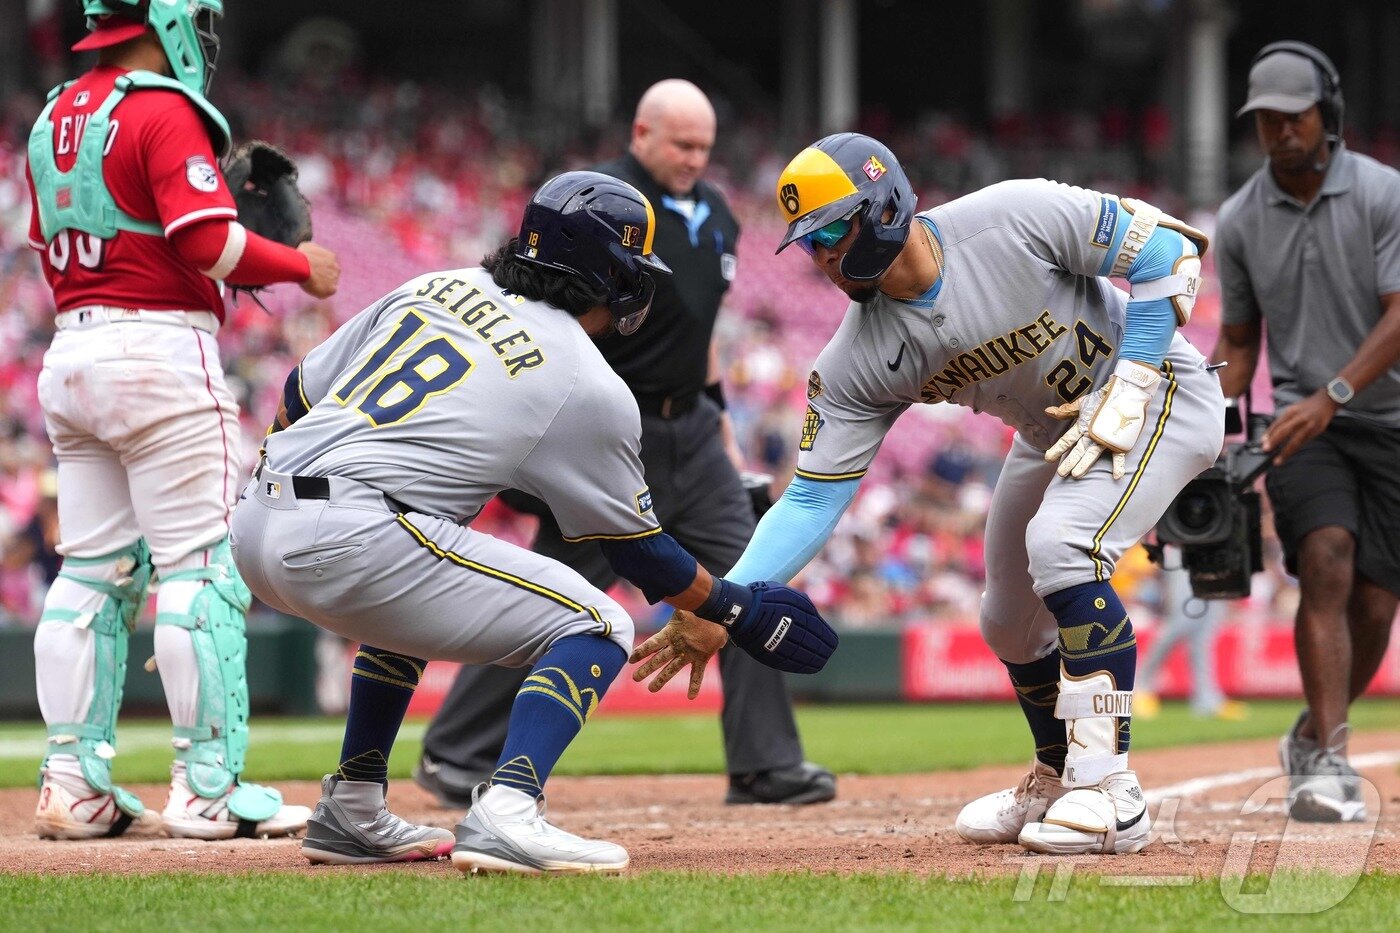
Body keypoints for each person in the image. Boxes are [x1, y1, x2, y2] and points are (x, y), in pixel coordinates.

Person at [631, 132, 1225, 855]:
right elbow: (813, 499)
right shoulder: (854, 357)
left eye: (827, 233)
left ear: (881, 206)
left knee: (1061, 544)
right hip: (1053, 434)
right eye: (807, 244)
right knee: (1008, 619)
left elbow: (1167, 250)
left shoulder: (1014, 215)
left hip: (1160, 388)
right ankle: (1060, 771)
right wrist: (722, 599)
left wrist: (1130, 382)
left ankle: (1110, 790)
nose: (819, 259)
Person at [230, 170, 836, 874]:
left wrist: (280, 492)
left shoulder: (434, 285)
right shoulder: (585, 375)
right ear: (609, 272)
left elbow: (302, 387)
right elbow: (637, 551)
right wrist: (739, 607)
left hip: (260, 517)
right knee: (598, 624)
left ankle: (354, 806)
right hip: (355, 533)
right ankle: (510, 806)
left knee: (402, 605)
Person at [414, 79, 836, 808]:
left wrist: (727, 443)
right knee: (557, 591)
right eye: (681, 144)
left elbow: (702, 340)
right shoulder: (603, 202)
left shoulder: (718, 217)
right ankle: (454, 750)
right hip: (606, 426)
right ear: (641, 134)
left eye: (704, 146)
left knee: (751, 578)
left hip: (695, 434)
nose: (694, 158)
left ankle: (766, 762)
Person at [26, 1, 339, 841]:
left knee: (89, 574)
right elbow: (206, 241)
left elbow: (64, 239)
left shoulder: (53, 113)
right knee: (200, 571)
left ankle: (70, 780)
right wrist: (299, 266)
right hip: (160, 351)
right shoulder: (162, 107)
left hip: (71, 351)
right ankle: (205, 785)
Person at [1213, 42, 1400, 823]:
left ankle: (1309, 733)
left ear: (1328, 111)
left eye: (1295, 115)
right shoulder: (1237, 219)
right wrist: (1202, 427)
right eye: (1266, 120)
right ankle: (1328, 762)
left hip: (1386, 418)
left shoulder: (1385, 193)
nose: (1281, 131)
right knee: (1326, 559)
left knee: (1378, 606)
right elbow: (1240, 340)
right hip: (1296, 422)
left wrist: (1337, 392)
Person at [1134, 547, 1246, 721]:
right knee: (1179, 623)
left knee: (1205, 634)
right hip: (1184, 547)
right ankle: (1140, 687)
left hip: (1217, 554)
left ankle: (1207, 698)